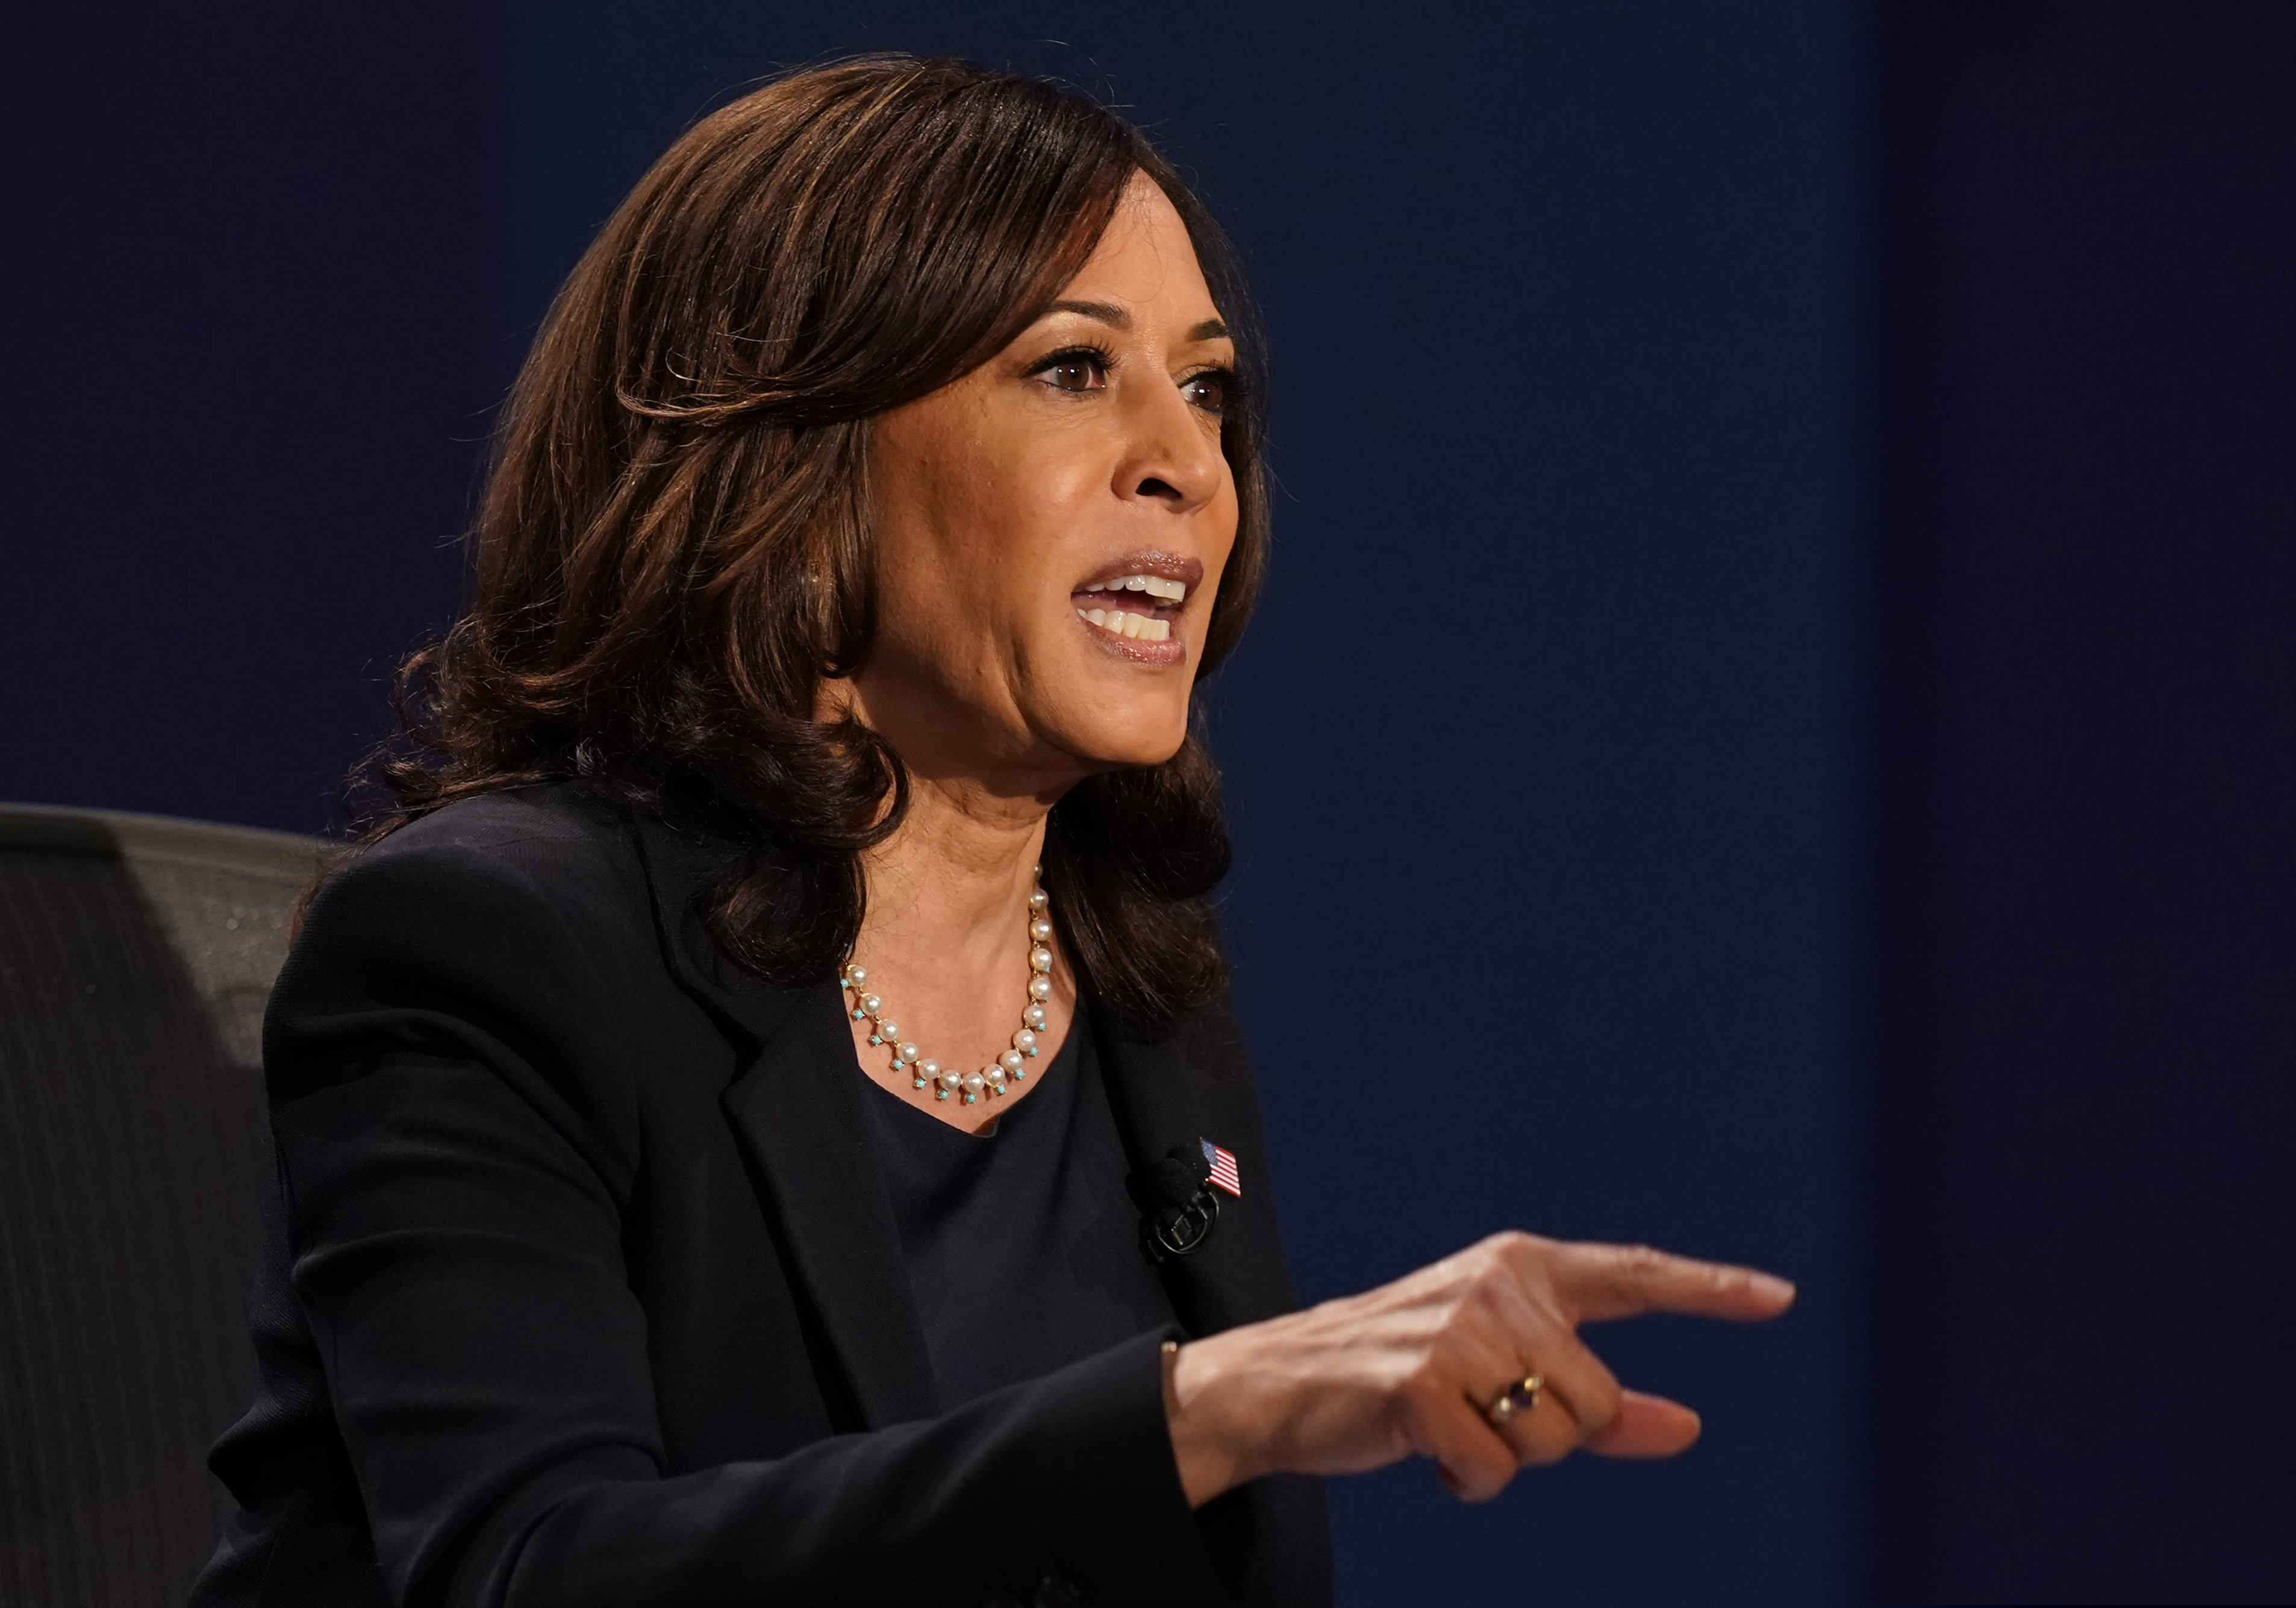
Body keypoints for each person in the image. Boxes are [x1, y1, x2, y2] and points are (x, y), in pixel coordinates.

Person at [191, 55, 1794, 1608]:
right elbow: (530, 1565)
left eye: (1209, 388)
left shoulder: (1129, 965)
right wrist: (1202, 1407)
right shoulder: (497, 944)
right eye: (1071, 368)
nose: (1187, 464)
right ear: (799, 449)